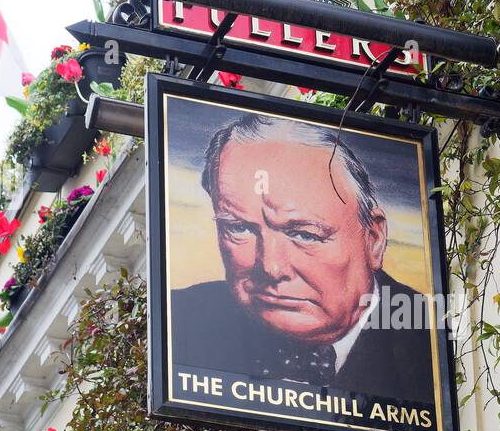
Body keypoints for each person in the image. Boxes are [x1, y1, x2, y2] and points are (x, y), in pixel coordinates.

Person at [169, 114, 436, 407]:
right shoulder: (180, 321)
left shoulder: (432, 338)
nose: (271, 267)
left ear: (373, 239)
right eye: (239, 228)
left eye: (305, 235)